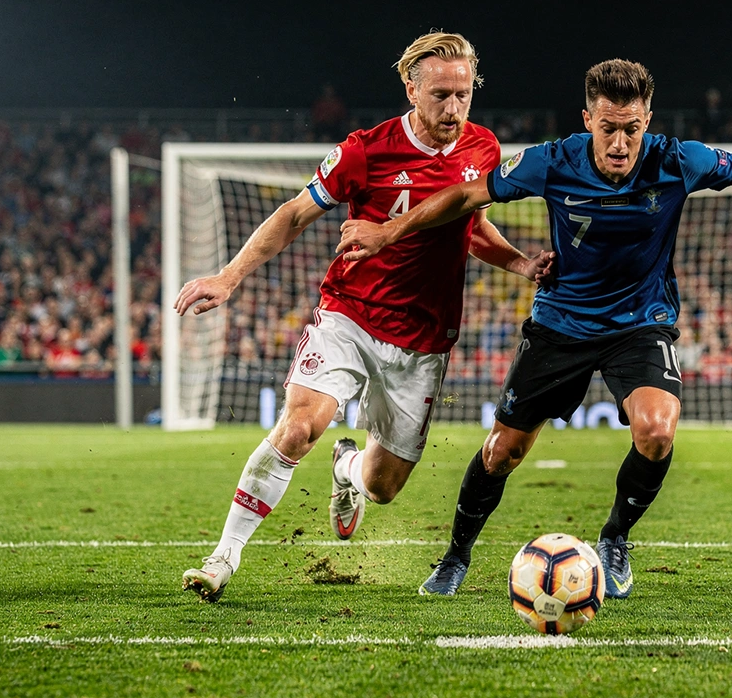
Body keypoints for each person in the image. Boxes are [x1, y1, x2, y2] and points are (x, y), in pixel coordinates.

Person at [338, 59, 732, 598]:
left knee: (658, 431)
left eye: (632, 129)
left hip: (641, 324)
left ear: (648, 120)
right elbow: (466, 195)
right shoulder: (552, 161)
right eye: (609, 127)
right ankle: (456, 555)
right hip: (561, 323)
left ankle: (615, 538)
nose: (620, 143)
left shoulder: (675, 160)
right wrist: (388, 232)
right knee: (503, 451)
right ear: (588, 118)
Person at [174, 32, 554, 602]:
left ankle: (347, 468)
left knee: (382, 487)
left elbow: (471, 228)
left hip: (425, 339)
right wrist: (228, 276)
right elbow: (295, 212)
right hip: (348, 316)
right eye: (441, 94)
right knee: (301, 426)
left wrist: (521, 263)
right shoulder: (365, 150)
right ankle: (222, 558)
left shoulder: (483, 149)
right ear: (411, 88)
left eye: (464, 94)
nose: (453, 107)